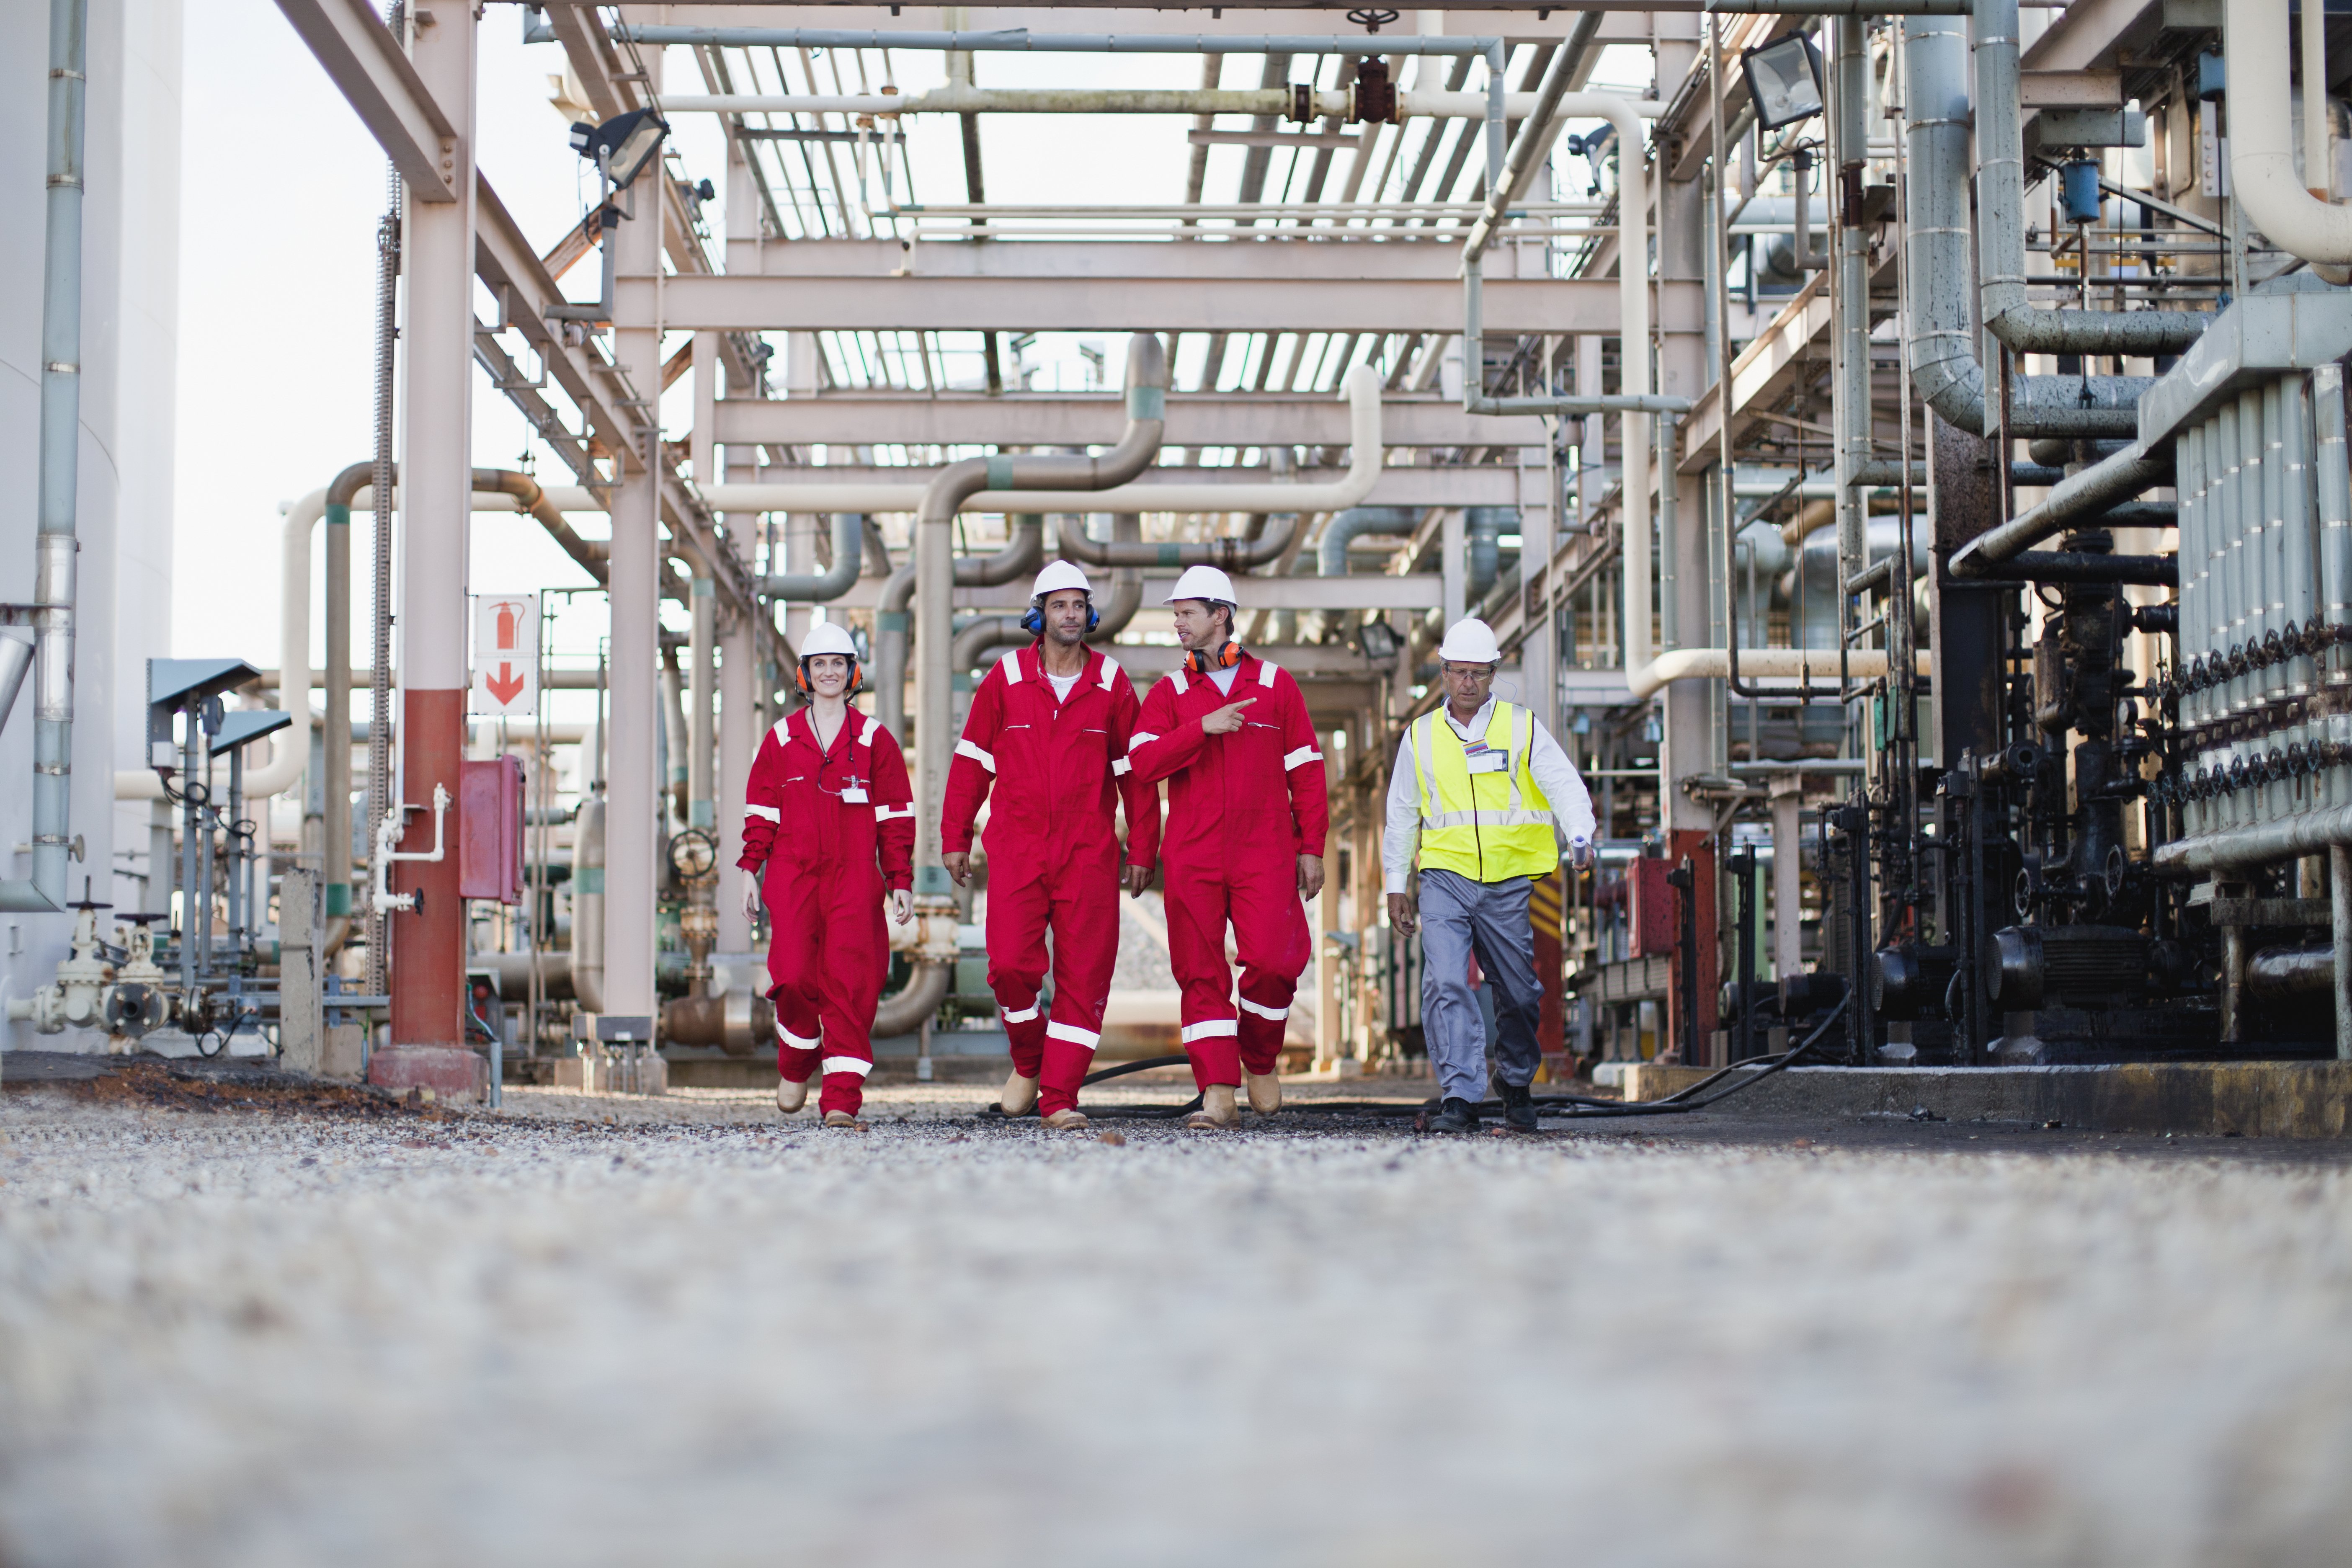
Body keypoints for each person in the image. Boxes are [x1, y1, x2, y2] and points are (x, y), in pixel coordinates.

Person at [941, 561, 1161, 1131]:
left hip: (1088, 850)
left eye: (1079, 605)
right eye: (1059, 605)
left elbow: (1134, 774)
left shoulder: (1111, 684)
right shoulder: (1006, 679)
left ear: (1090, 614)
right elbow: (971, 763)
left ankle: (1059, 1097)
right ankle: (1030, 1062)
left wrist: (1142, 848)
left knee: (1085, 976)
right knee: (1011, 964)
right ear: (1039, 614)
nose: (1071, 614)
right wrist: (955, 836)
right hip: (1017, 845)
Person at [1126, 565, 1328, 1130]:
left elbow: (1307, 771)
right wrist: (1200, 729)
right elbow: (1142, 763)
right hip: (1193, 851)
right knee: (1200, 972)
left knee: (1273, 960)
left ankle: (1260, 1057)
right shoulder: (1169, 693)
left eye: (1187, 613)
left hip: (1264, 848)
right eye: (1175, 614)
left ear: (1221, 615)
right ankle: (1218, 1091)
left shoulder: (1274, 685)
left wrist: (1311, 844)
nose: (1177, 624)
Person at [1382, 618, 1595, 1134]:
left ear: (1495, 672)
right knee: (1448, 981)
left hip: (1507, 882)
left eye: (1480, 673)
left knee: (1520, 993)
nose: (1469, 683)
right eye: (1460, 673)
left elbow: (1562, 781)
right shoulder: (1422, 736)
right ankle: (1460, 1094)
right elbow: (1403, 812)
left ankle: (1516, 1083)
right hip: (1444, 878)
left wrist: (1581, 834)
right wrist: (1396, 884)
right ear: (1444, 673)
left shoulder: (1521, 726)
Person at [738, 622, 916, 1129]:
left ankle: (841, 1097)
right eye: (820, 664)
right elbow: (761, 813)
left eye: (839, 663)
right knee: (793, 976)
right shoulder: (781, 739)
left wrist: (899, 879)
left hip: (855, 877)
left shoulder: (875, 740)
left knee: (851, 984)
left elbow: (896, 817)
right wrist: (751, 869)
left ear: (853, 671)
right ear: (806, 674)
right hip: (793, 875)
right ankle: (797, 1061)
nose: (830, 672)